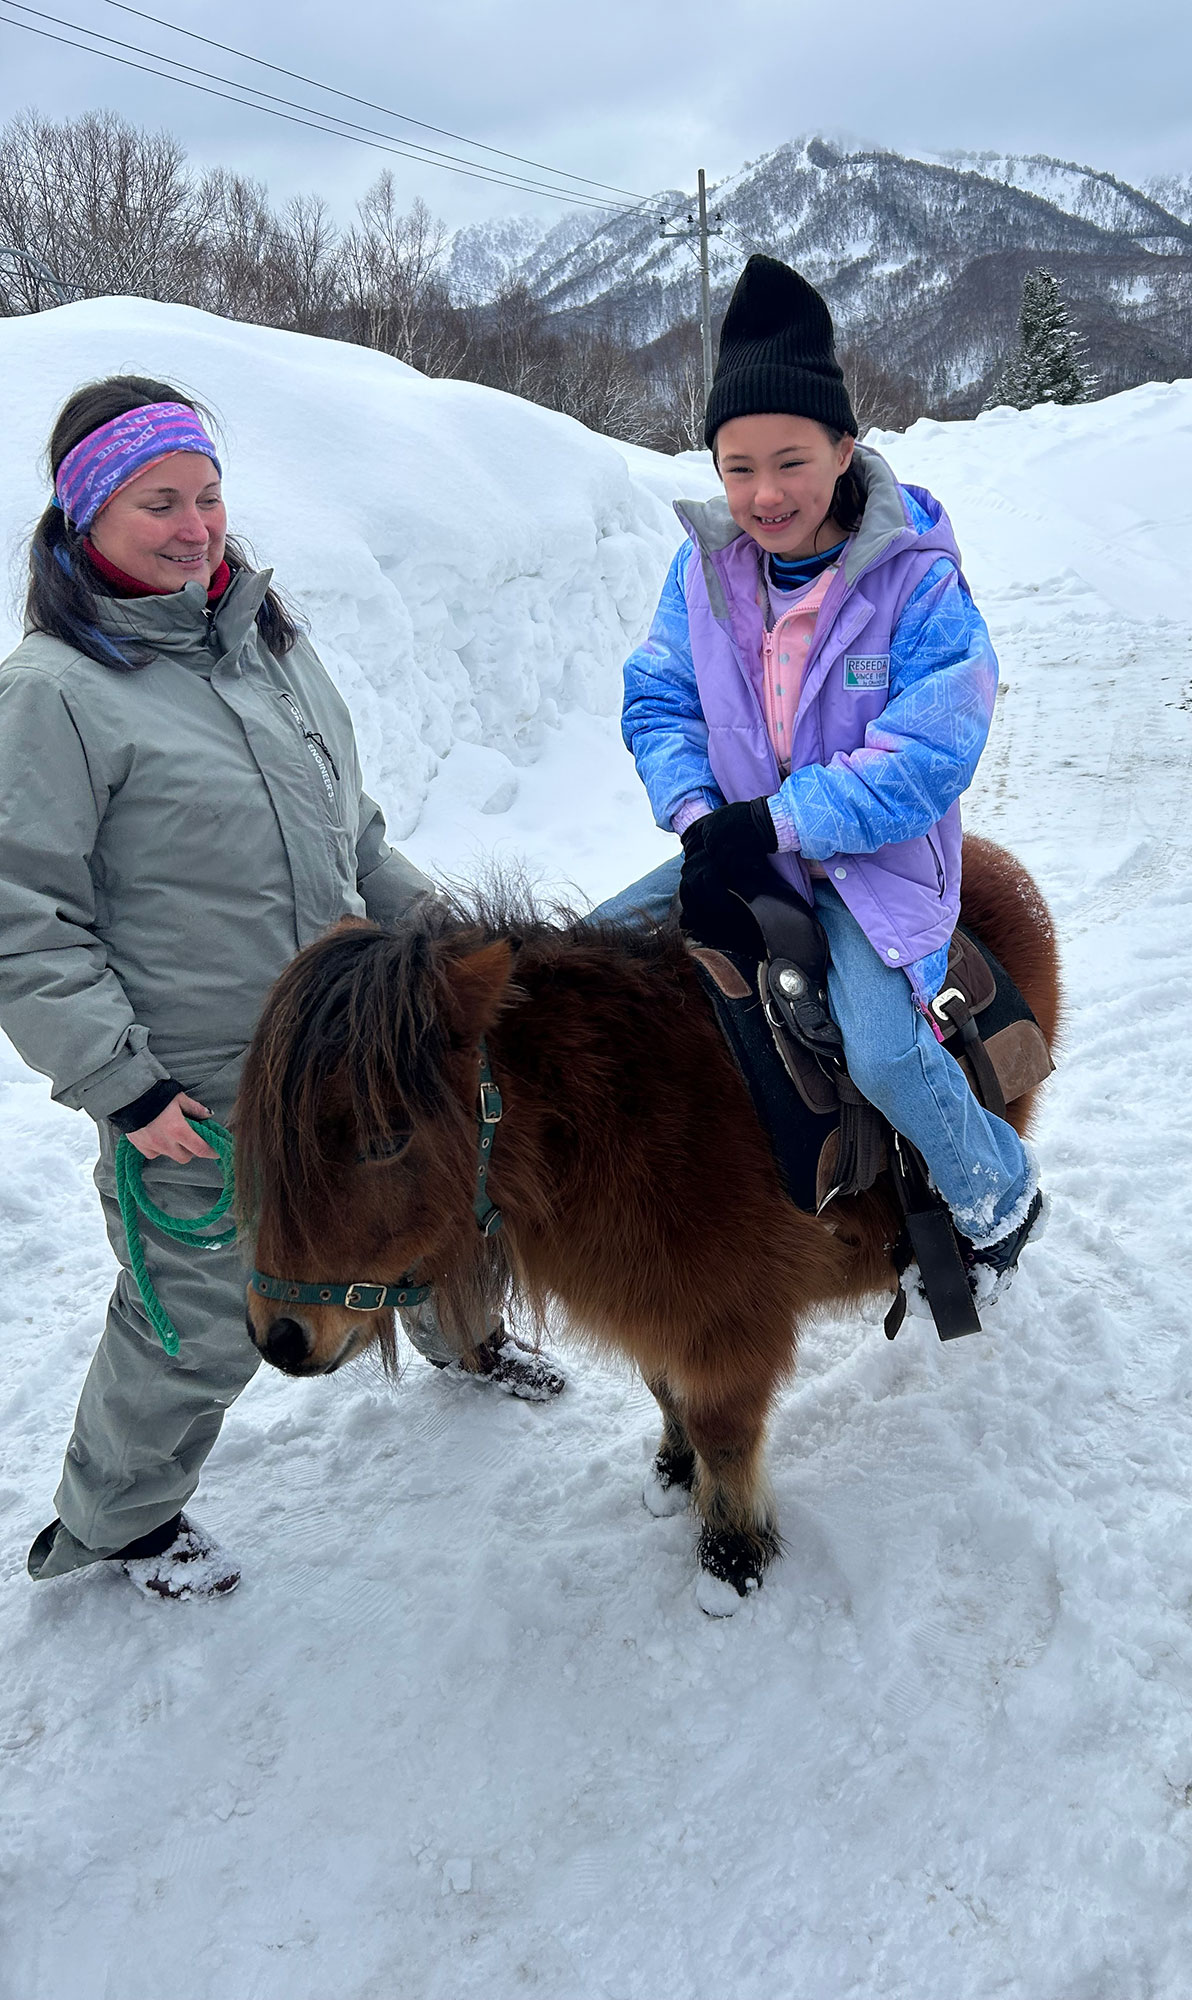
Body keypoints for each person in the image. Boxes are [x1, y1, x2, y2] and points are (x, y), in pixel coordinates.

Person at [3, 377, 561, 1601]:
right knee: (196, 1316)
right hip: (202, 1085)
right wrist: (123, 1082)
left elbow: (351, 834)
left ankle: (460, 1339)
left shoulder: (267, 646)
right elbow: (23, 922)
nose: (197, 525)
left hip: (356, 1048)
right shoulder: (55, 694)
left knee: (429, 1199)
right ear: (86, 513)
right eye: (159, 501)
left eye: (208, 495)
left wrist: (458, 939)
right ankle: (119, 1522)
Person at [597, 256, 1044, 1295]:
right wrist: (703, 817)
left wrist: (776, 823)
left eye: (791, 461)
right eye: (737, 465)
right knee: (580, 960)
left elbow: (930, 752)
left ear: (845, 448)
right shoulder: (704, 572)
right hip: (748, 840)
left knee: (886, 1055)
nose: (763, 494)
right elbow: (658, 698)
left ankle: (999, 1187)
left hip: (874, 869)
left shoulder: (917, 581)